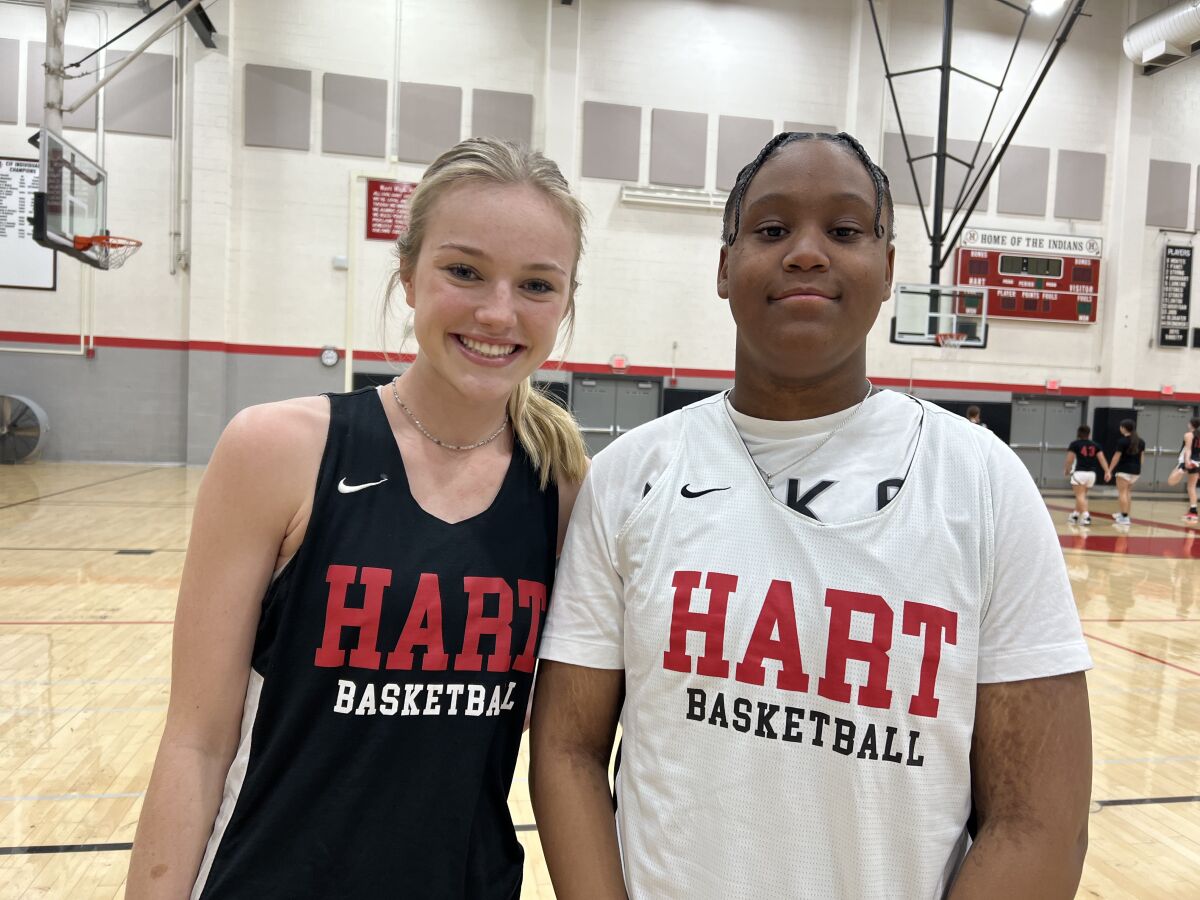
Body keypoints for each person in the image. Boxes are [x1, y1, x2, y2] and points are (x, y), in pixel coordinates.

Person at [530, 131, 1092, 900]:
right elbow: (566, 747)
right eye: (770, 230)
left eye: (846, 230)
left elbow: (1039, 822)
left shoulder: (985, 484)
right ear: (724, 268)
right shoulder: (631, 477)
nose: (805, 252)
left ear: (890, 268)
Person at [125, 138, 589, 898]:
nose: (497, 311)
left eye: (536, 284)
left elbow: (555, 739)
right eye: (464, 271)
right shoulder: (277, 449)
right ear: (408, 277)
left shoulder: (565, 490)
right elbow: (197, 741)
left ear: (565, 301)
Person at [1064, 424, 1108, 526]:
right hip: (1092, 475)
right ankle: (1075, 515)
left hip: (1080, 473)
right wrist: (1107, 471)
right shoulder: (1096, 445)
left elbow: (1069, 459)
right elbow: (1102, 459)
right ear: (1089, 433)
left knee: (1079, 496)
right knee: (1082, 496)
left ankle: (1086, 516)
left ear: (1078, 433)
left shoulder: (1074, 444)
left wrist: (1067, 469)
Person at [1103, 418, 1144, 527]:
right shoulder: (1141, 441)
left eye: (1121, 427)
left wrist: (1109, 470)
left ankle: (1124, 517)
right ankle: (1124, 514)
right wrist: (1138, 469)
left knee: (1122, 493)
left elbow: (1116, 457)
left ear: (1124, 428)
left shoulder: (1122, 441)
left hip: (1124, 470)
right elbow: (1142, 458)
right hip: (1136, 471)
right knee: (1128, 492)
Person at [1166, 416, 1199, 523]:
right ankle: (1193, 511)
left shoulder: (1188, 434)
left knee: (1171, 481)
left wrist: (1186, 462)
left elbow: (1188, 449)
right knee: (1191, 487)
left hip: (1187, 461)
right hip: (1197, 462)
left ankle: (1182, 469)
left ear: (1191, 424)